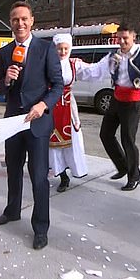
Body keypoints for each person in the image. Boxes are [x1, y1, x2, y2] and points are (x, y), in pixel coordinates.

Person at [0, 1, 63, 250]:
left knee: (38, 175)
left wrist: (43, 105)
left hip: (37, 121)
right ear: (10, 23)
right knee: (13, 169)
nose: (19, 23)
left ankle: (40, 228)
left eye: (24, 19)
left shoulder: (46, 48)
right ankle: (12, 211)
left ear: (32, 20)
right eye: (14, 19)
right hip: (13, 121)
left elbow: (58, 85)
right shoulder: (4, 52)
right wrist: (7, 80)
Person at [76, 25, 140, 191]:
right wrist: (76, 65)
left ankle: (135, 176)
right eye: (119, 38)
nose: (122, 41)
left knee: (128, 139)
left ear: (133, 37)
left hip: (132, 101)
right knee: (105, 134)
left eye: (125, 38)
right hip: (116, 98)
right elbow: (96, 69)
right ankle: (123, 166)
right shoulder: (115, 56)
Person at [49, 33, 88, 192]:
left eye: (65, 48)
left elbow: (92, 70)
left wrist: (109, 64)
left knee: (72, 140)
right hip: (52, 105)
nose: (63, 51)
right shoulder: (48, 63)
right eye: (59, 49)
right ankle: (62, 175)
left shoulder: (74, 64)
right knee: (53, 143)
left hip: (68, 106)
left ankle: (74, 168)